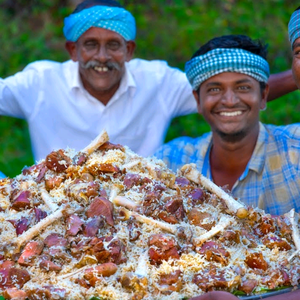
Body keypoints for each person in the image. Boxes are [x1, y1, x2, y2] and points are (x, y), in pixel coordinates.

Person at [0, 0, 296, 163]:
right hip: (51, 213)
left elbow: (229, 88)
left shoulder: (157, 80)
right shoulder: (39, 82)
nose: (102, 57)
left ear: (129, 50)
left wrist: (296, 78)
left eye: (113, 45)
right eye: (90, 44)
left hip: (139, 214)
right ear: (72, 50)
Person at [154, 33, 300, 216]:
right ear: (197, 100)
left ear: (263, 96)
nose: (230, 101)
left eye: (243, 88)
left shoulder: (295, 152)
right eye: (215, 89)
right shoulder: (169, 161)